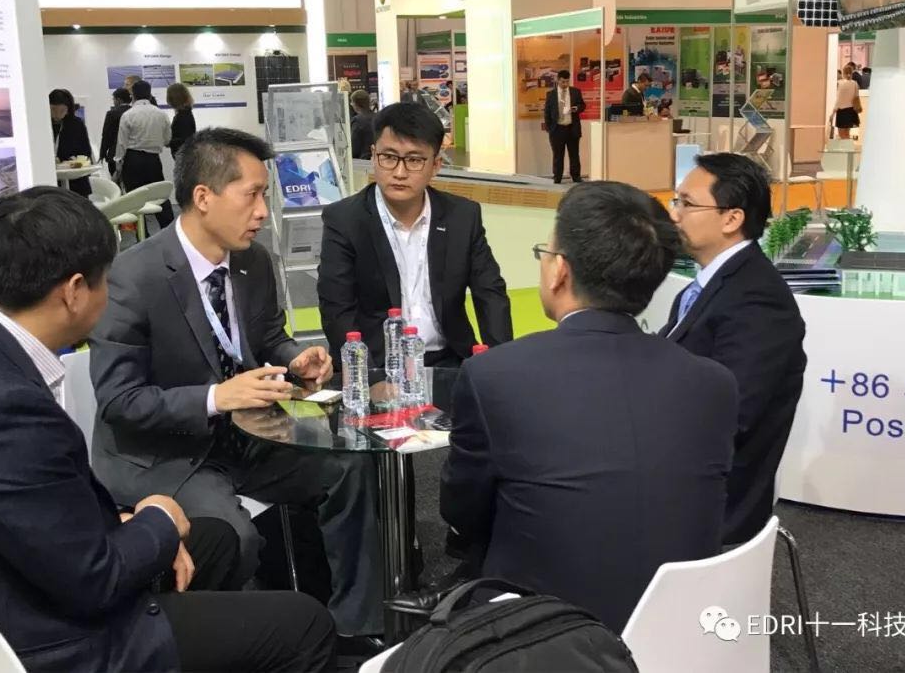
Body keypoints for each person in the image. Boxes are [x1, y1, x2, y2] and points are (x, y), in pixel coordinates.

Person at [0, 187, 336, 673]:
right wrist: (157, 517)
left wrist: (127, 522)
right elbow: (97, 580)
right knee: (304, 625)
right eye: (104, 280)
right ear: (74, 291)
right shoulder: (5, 412)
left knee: (214, 540)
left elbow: (32, 510)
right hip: (44, 639)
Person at [90, 127, 385, 655]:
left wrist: (295, 358)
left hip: (249, 436)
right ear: (204, 196)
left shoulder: (252, 262)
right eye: (252, 195)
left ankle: (352, 624)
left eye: (265, 195)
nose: (263, 212)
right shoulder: (134, 276)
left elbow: (268, 337)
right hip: (167, 455)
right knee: (236, 538)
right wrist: (215, 398)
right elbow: (118, 400)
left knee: (350, 468)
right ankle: (236, 648)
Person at [440, 181, 739, 632]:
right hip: (684, 628)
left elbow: (461, 512)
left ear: (559, 271)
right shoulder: (714, 383)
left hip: (542, 633)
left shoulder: (495, 376)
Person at [660, 152, 807, 546]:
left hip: (711, 503)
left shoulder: (758, 301)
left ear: (731, 219)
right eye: (676, 200)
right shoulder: (711, 284)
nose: (674, 214)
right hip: (677, 471)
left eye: (687, 203)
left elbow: (730, 415)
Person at [319, 102, 512, 369]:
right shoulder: (344, 220)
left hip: (449, 359)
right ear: (373, 155)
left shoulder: (462, 216)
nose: (399, 172)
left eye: (414, 160)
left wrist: (501, 366)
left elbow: (490, 294)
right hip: (379, 365)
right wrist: (371, 378)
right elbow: (336, 309)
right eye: (388, 157)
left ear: (436, 165)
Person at [117, 79, 174, 228]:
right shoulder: (161, 114)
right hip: (153, 160)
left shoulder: (128, 115)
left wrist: (118, 164)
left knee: (133, 200)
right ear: (149, 95)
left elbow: (122, 143)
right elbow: (167, 139)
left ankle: (141, 234)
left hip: (132, 160)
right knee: (160, 197)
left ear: (133, 95)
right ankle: (169, 229)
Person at [542, 70, 584, 184]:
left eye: (567, 81)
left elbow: (582, 105)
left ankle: (576, 176)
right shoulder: (551, 94)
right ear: (558, 80)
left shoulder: (575, 92)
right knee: (558, 155)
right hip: (557, 129)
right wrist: (550, 128)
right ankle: (557, 177)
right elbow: (547, 112)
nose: (565, 84)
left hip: (572, 128)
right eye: (563, 82)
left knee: (574, 154)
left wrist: (577, 108)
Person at [49, 88, 92, 197]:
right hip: (50, 181)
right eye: (53, 110)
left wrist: (69, 161)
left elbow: (86, 152)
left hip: (75, 181)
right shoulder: (42, 125)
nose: (57, 115)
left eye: (62, 110)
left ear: (68, 109)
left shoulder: (76, 125)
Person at [100, 87, 132, 176]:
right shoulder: (134, 112)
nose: (113, 102)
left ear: (119, 100)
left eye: (114, 99)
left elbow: (106, 135)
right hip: (132, 155)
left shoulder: (111, 113)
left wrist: (102, 153)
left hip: (114, 153)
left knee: (115, 181)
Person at [166, 82, 197, 158]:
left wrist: (168, 142)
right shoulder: (184, 113)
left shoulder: (183, 117)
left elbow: (185, 139)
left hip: (184, 157)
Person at [833, 64, 861, 140]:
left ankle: (845, 147)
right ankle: (848, 147)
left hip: (841, 111)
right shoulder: (855, 83)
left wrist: (833, 113)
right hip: (851, 111)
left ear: (843, 73)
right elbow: (856, 97)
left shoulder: (839, 83)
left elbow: (839, 100)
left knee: (841, 134)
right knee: (847, 133)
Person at [350, 89, 375, 159]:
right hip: (375, 158)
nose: (351, 104)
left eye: (352, 102)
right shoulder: (378, 117)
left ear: (356, 104)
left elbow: (354, 149)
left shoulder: (357, 121)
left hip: (362, 161)